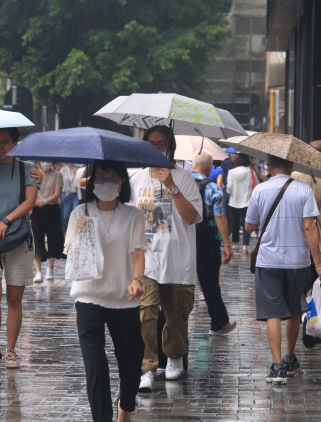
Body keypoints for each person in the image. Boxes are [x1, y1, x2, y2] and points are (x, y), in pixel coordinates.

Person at [65, 160, 146, 422]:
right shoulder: (80, 212)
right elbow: (70, 254)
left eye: (112, 179)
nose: (106, 184)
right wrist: (80, 231)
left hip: (124, 298)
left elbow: (137, 252)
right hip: (88, 297)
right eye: (100, 178)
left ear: (122, 183)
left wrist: (136, 279)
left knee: (132, 364)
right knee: (95, 366)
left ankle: (126, 402)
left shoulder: (134, 215)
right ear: (91, 182)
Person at [129, 125, 203, 393]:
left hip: (178, 260)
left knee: (176, 315)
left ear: (170, 147)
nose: (157, 148)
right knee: (146, 314)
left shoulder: (184, 178)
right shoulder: (136, 180)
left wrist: (170, 185)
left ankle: (173, 358)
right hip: (146, 260)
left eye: (161, 144)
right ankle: (148, 366)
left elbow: (191, 217)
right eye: (151, 144)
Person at [245, 154, 321, 384]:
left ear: (268, 165)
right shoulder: (303, 190)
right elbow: (309, 227)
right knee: (294, 310)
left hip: (268, 261)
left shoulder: (260, 190)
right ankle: (290, 357)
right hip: (298, 260)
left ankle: (277, 366)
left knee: (273, 313)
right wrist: (318, 262)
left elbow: (249, 226)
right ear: (292, 165)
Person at [0, 127, 38, 371]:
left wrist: (6, 221)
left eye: (5, 141)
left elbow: (30, 202)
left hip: (18, 237)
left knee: (14, 298)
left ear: (16, 142)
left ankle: (11, 349)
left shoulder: (28, 168)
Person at [191, 150, 237, 336]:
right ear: (209, 167)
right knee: (209, 280)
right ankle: (218, 321)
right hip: (206, 237)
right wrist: (226, 244)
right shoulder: (213, 188)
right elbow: (220, 217)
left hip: (181, 237)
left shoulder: (179, 183)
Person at [290, 140, 321, 346]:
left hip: (300, 241)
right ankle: (313, 326)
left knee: (304, 288)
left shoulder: (294, 176)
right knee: (319, 285)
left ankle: (307, 320)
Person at [32, 161, 66, 282]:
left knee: (54, 238)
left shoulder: (57, 175)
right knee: (36, 239)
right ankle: (38, 272)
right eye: (43, 161)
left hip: (52, 208)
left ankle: (50, 269)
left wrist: (45, 201)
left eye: (47, 161)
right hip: (36, 209)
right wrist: (32, 203)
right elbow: (31, 190)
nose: (45, 163)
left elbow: (57, 193)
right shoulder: (34, 173)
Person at [227, 153, 258, 254]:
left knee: (235, 223)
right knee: (246, 223)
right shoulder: (250, 172)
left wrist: (231, 193)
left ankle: (235, 244)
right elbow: (256, 185)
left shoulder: (231, 172)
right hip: (247, 202)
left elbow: (229, 188)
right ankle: (244, 246)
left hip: (234, 202)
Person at [60, 163, 80, 230]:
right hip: (66, 193)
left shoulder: (77, 169)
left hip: (75, 194)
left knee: (75, 212)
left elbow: (79, 181)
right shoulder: (63, 169)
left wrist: (77, 172)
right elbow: (60, 181)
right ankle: (68, 228)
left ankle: (74, 229)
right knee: (66, 215)